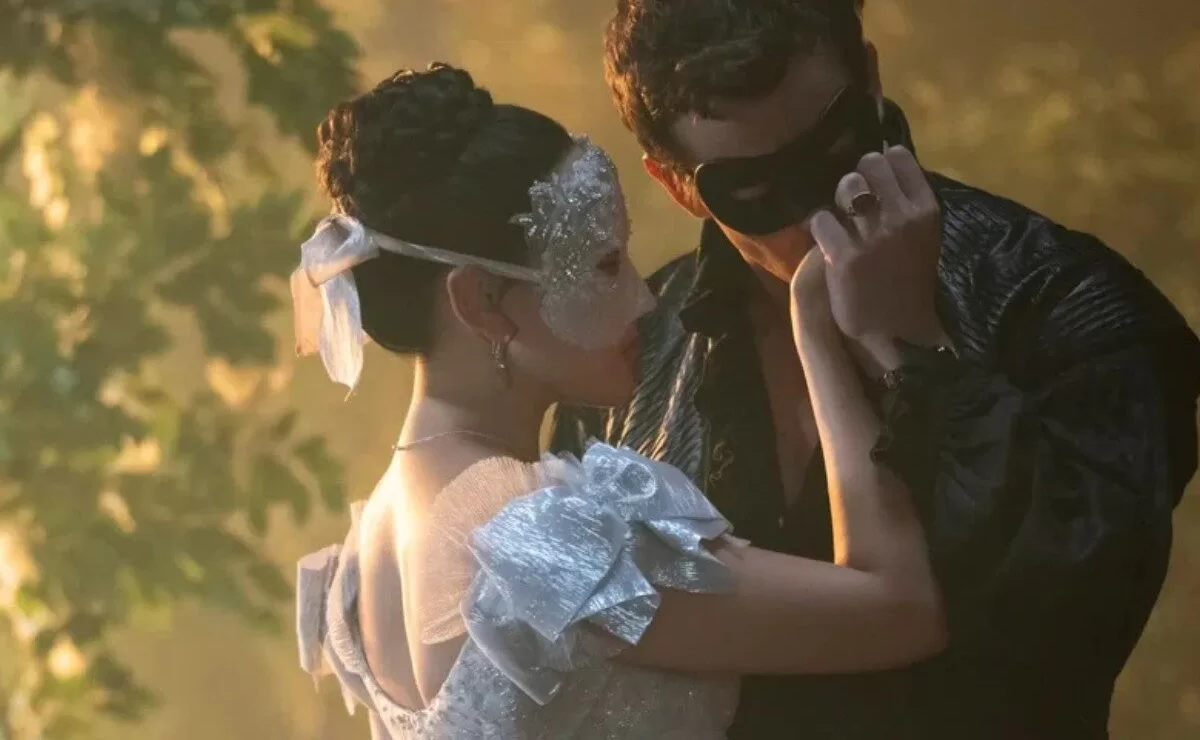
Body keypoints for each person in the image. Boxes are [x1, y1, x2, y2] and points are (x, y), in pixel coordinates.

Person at [551, 0, 1200, 739]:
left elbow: (1080, 608)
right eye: (755, 188)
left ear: (872, 78)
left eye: (835, 147)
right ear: (675, 182)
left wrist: (913, 353)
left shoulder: (1064, 301)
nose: (817, 209)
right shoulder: (625, 357)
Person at [292, 63, 948, 739]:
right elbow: (899, 610)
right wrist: (815, 320)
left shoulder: (371, 552)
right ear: (481, 301)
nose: (644, 299)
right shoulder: (539, 535)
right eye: (605, 265)